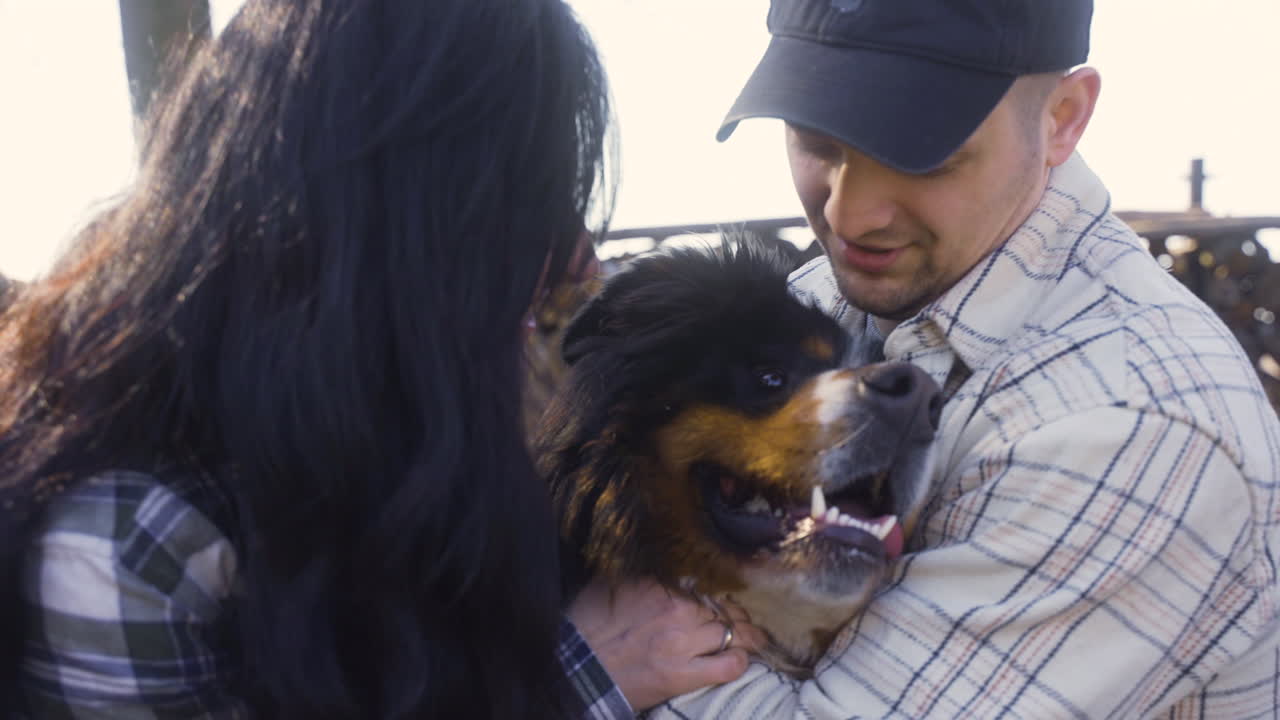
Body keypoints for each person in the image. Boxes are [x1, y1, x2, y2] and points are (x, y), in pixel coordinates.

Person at [0, 1, 759, 717]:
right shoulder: (135, 538)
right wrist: (579, 679)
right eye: (529, 215)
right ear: (394, 242)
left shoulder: (424, 417)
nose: (580, 265)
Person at [648, 0, 1280, 717]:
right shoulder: (835, 287)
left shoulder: (1134, 419)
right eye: (817, 141)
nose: (849, 215)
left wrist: (588, 645)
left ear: (1063, 117)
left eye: (921, 155)